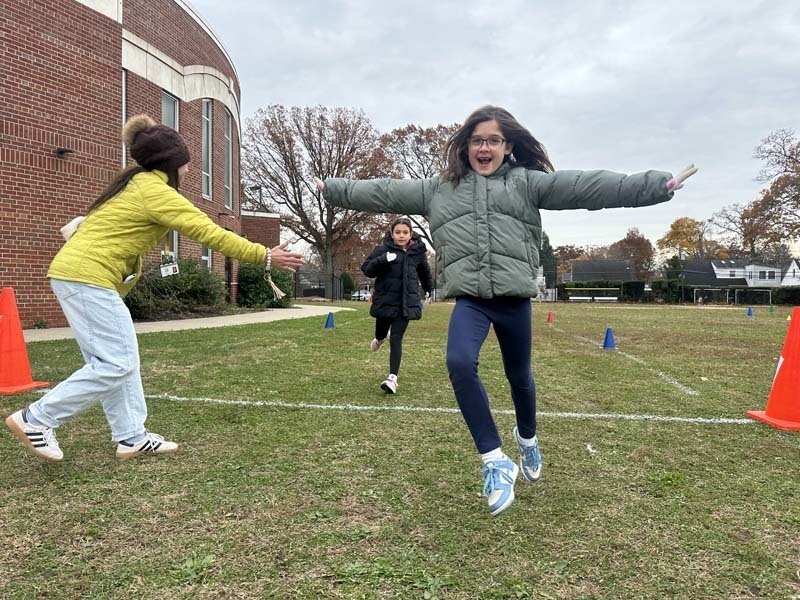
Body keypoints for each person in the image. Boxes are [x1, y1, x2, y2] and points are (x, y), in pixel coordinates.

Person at [316, 105, 697, 516]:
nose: (484, 147)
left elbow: (588, 187)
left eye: (493, 140)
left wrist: (655, 186)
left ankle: (528, 440)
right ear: (465, 147)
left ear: (507, 145)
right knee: (459, 363)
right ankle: (495, 461)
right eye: (477, 140)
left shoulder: (527, 184)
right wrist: (333, 188)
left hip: (514, 301)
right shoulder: (438, 189)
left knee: (521, 379)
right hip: (471, 302)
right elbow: (384, 191)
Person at [5, 114, 304, 462]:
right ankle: (35, 419)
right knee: (116, 362)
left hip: (81, 277)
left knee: (118, 362)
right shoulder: (155, 192)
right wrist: (264, 255)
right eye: (186, 163)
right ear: (171, 163)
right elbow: (208, 232)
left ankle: (131, 437)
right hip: (87, 279)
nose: (190, 170)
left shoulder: (133, 186)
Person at [362, 217, 433, 394]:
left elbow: (424, 272)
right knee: (381, 332)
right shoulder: (382, 249)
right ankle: (380, 338)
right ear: (392, 233)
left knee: (397, 337)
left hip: (406, 303)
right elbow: (367, 269)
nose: (401, 236)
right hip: (386, 302)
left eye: (405, 232)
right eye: (398, 232)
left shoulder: (417, 251)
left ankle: (392, 378)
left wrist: (429, 290)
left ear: (410, 234)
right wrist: (383, 259)